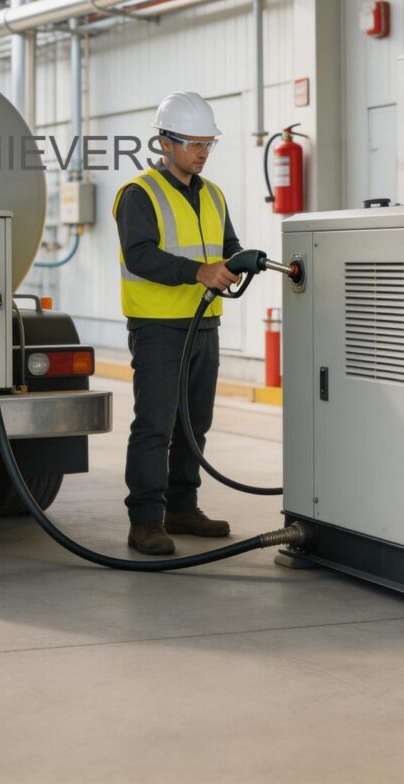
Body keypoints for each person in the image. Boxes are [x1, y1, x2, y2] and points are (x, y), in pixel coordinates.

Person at [111, 91, 243, 555]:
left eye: (209, 143)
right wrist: (198, 272)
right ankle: (145, 520)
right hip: (158, 327)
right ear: (165, 143)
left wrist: (240, 262)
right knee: (155, 425)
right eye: (194, 143)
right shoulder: (138, 194)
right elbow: (141, 255)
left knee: (194, 423)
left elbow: (227, 243)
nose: (203, 152)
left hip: (204, 323)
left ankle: (182, 508)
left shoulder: (214, 194)